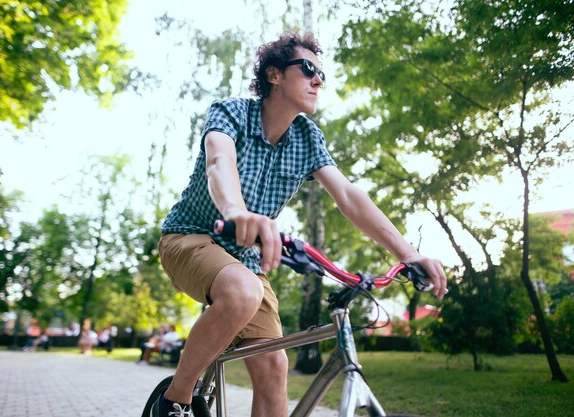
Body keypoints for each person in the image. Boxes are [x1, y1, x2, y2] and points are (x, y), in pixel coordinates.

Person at [156, 31, 448, 417]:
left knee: (275, 368)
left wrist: (409, 255)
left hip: (245, 260)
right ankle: (175, 401)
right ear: (274, 75)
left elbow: (349, 197)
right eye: (308, 69)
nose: (318, 80)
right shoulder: (231, 112)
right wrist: (235, 211)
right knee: (244, 291)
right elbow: (218, 162)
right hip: (189, 238)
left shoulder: (307, 137)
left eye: (321, 74)